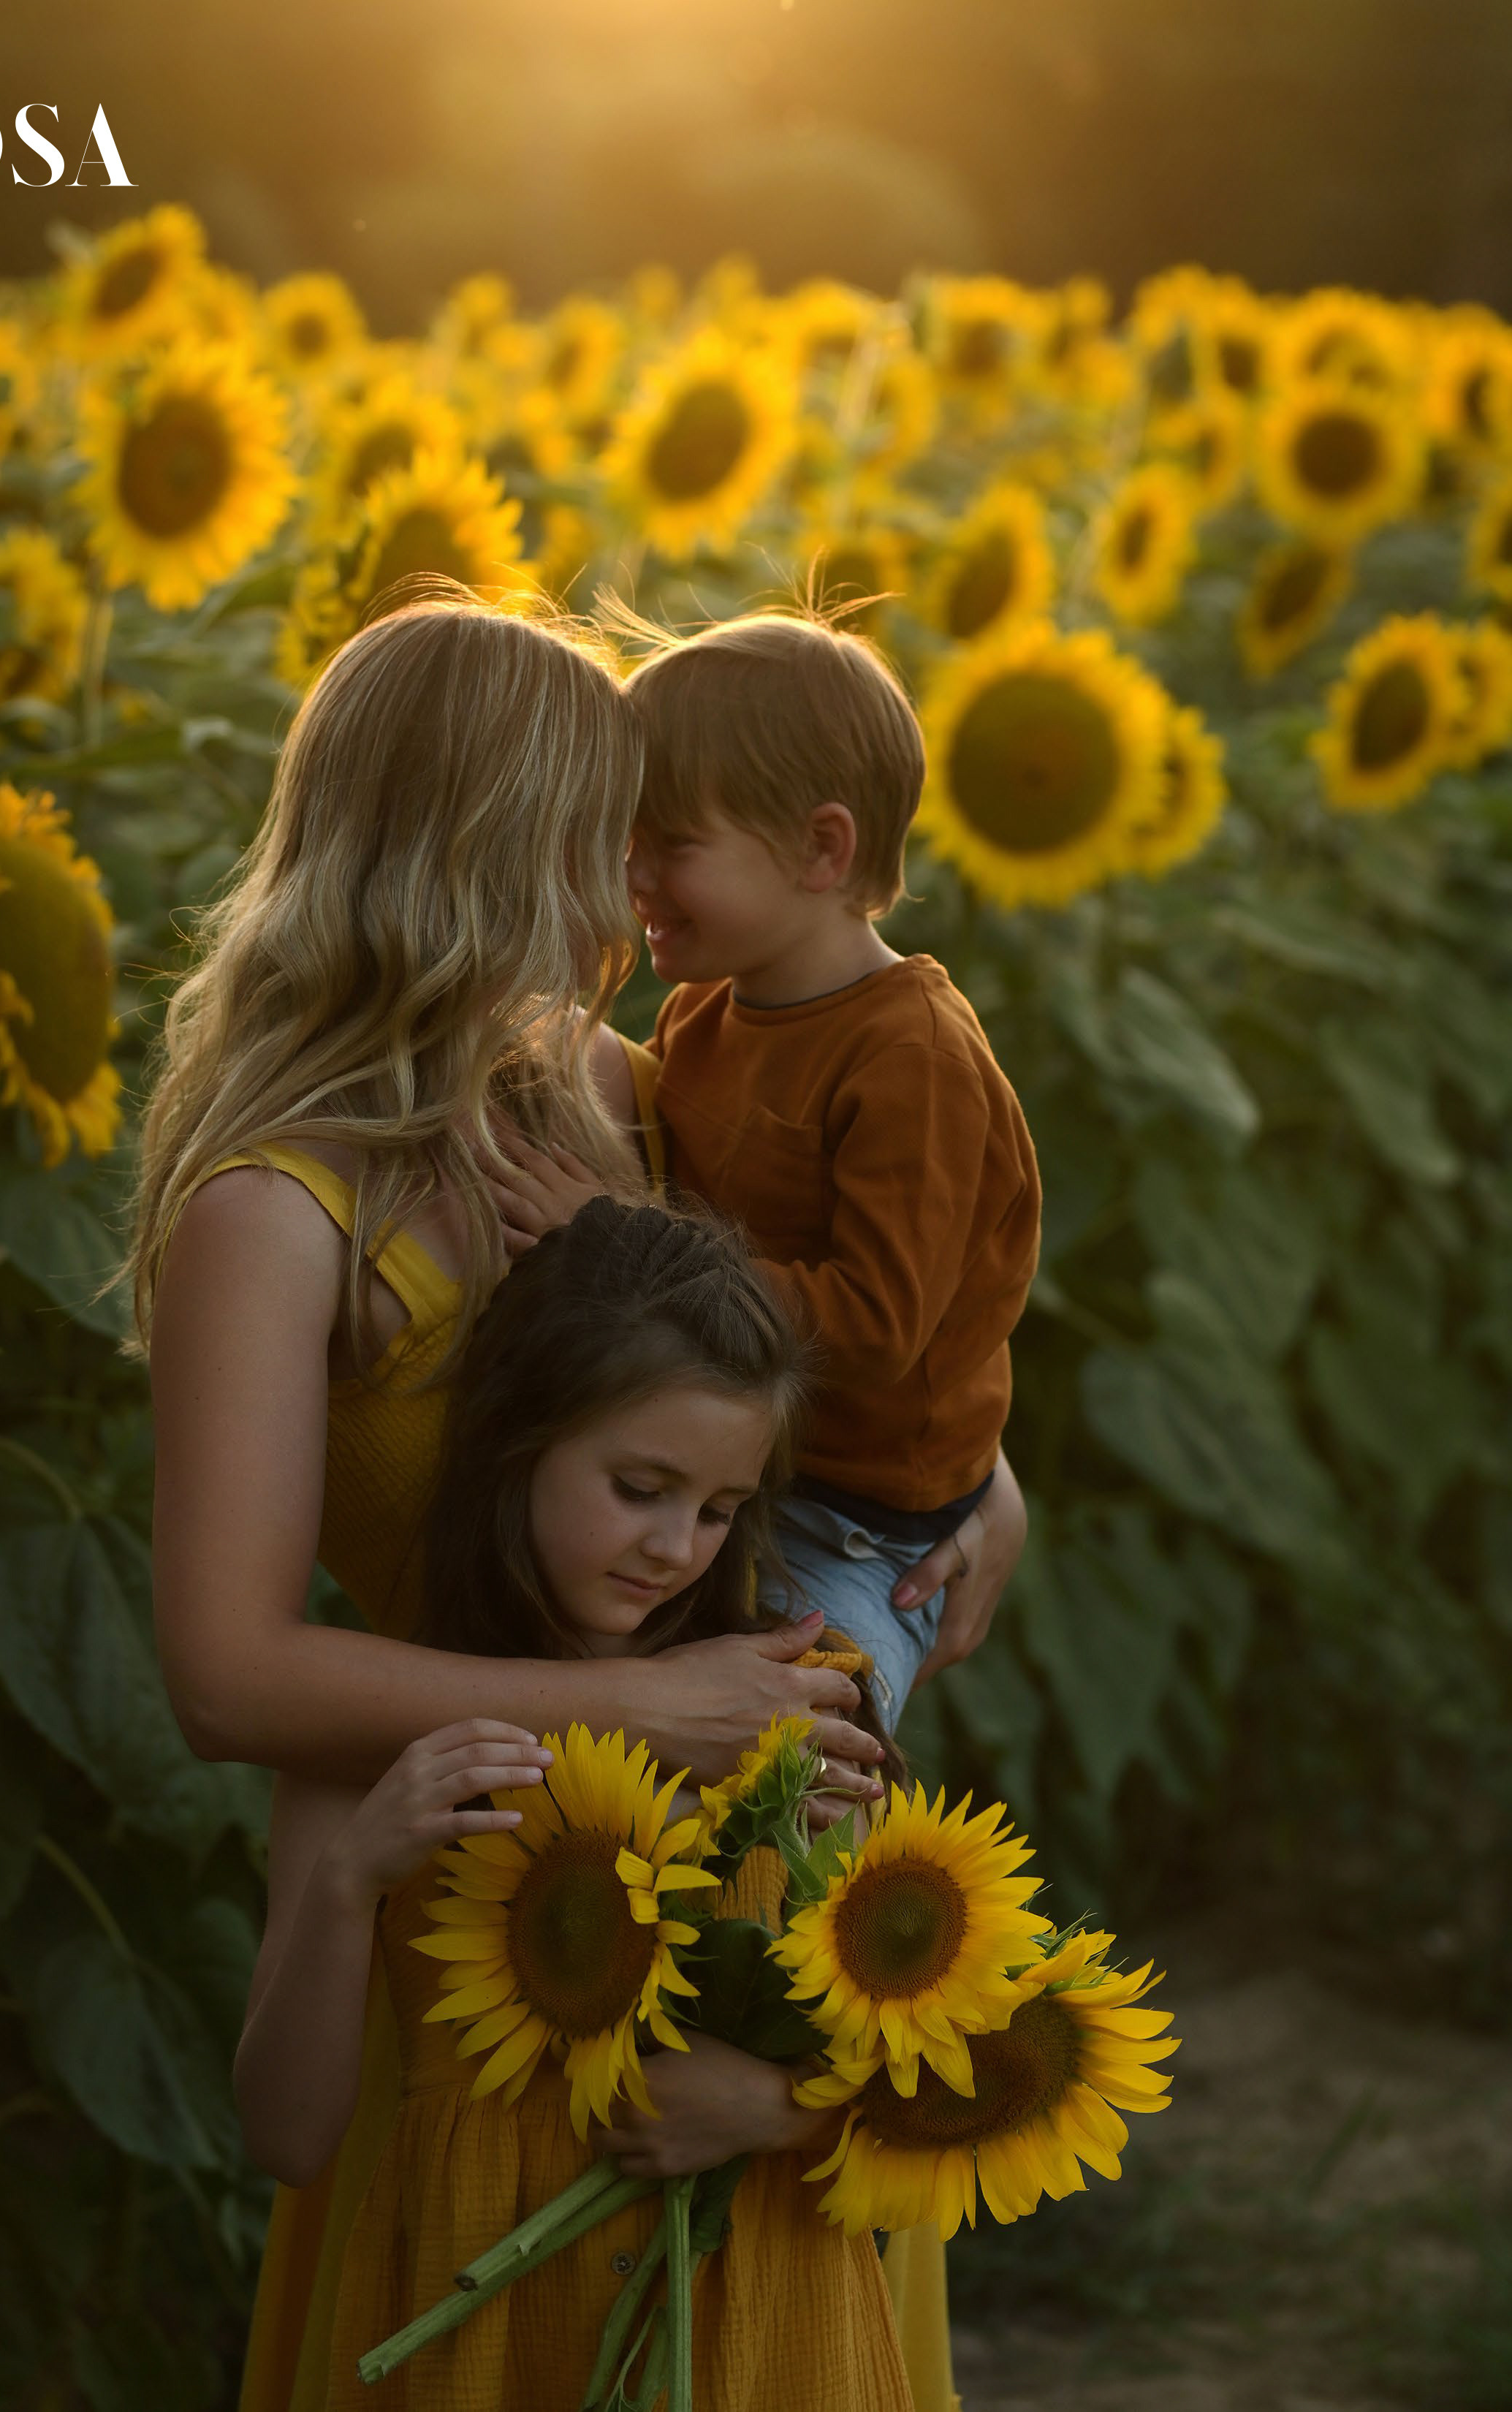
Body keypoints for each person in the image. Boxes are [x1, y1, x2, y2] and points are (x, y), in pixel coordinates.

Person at [136, 595, 1024, 2412]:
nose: (635, 894)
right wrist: (647, 1705)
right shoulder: (275, 1208)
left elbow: (823, 1323)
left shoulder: (616, 1094)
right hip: (478, 1935)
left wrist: (983, 1475)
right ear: (477, 848)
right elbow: (226, 1678)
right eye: (597, 837)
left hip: (735, 1914)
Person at [235, 1197, 915, 2411]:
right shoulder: (371, 1744)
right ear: (515, 1444)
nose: (674, 1547)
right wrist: (352, 1884)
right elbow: (287, 2140)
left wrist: (774, 2108)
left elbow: (945, 2083)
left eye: (716, 1510)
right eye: (639, 1486)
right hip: (476, 2345)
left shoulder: (796, 1717)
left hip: (762, 2344)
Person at [489, 609, 1041, 1741]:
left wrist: (615, 1235)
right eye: (624, 840)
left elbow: (879, 1326)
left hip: (856, 1527)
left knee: (792, 1763)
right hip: (724, 1477)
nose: (630, 875)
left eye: (671, 844)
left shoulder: (911, 1058)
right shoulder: (705, 1010)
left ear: (820, 850)